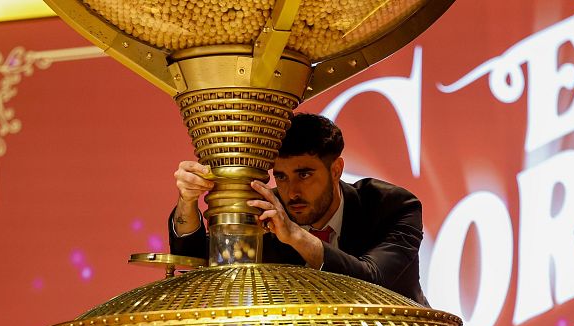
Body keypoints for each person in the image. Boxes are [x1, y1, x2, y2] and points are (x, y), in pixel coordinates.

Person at [169, 113, 429, 306]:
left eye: (304, 175)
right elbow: (198, 261)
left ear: (336, 170)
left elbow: (373, 283)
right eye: (281, 177)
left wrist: (296, 236)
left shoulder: (393, 207)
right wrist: (188, 201)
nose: (291, 192)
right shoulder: (266, 209)